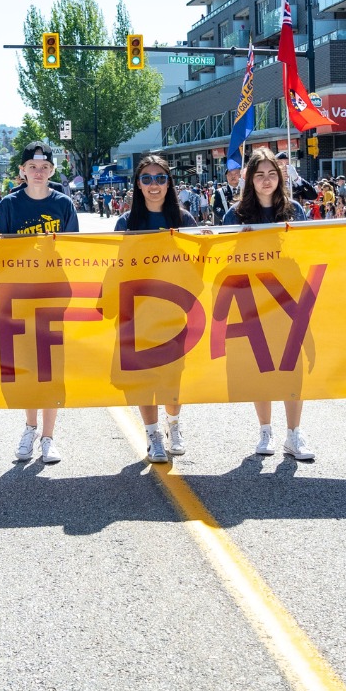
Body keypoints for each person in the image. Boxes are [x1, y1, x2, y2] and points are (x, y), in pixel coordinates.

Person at [221, 147, 314, 461]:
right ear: (250, 179)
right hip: (250, 298)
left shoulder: (294, 210)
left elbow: (307, 251)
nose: (266, 180)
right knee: (259, 365)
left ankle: (294, 433)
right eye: (259, 174)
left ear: (280, 177)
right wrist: (240, 243)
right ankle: (265, 431)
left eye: (272, 174)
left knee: (292, 366)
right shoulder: (235, 215)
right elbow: (223, 260)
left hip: (288, 298)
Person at [0, 142, 80, 465]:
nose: (38, 172)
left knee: (52, 368)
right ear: (23, 171)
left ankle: (49, 437)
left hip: (54, 294)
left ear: (52, 170)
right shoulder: (9, 204)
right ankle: (30, 428)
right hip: (19, 296)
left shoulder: (63, 204)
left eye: (44, 167)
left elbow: (74, 250)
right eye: (32, 167)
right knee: (28, 367)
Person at [115, 156, 196, 463]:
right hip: (137, 312)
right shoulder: (125, 223)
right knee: (144, 378)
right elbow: (116, 268)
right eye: (146, 178)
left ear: (169, 182)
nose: (154, 184)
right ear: (138, 184)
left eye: (160, 178)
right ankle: (152, 435)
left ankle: (173, 426)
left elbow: (199, 265)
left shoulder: (184, 220)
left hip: (174, 312)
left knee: (173, 378)